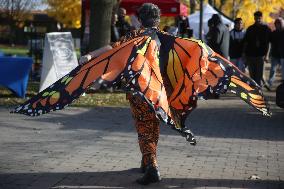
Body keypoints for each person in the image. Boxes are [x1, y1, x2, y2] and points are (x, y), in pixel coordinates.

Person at [15, 3, 271, 186]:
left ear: (139, 19)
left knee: (145, 127)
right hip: (163, 93)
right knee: (152, 126)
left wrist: (90, 56)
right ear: (158, 20)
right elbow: (196, 52)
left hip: (141, 92)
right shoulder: (169, 38)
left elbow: (111, 49)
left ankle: (151, 168)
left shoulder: (134, 36)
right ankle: (148, 160)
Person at [243, 11, 271, 85]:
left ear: (262, 18)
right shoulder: (250, 28)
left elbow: (269, 43)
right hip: (250, 55)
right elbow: (246, 42)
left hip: (261, 56)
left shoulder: (266, 29)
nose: (257, 20)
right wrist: (244, 54)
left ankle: (259, 93)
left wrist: (267, 55)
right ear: (254, 18)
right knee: (252, 76)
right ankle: (254, 92)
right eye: (256, 18)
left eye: (259, 18)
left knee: (259, 75)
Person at [267, 17, 284, 86]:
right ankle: (270, 83)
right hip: (275, 54)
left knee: (283, 70)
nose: (278, 25)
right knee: (272, 70)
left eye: (279, 24)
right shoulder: (273, 33)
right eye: (276, 24)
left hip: (283, 55)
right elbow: (269, 43)